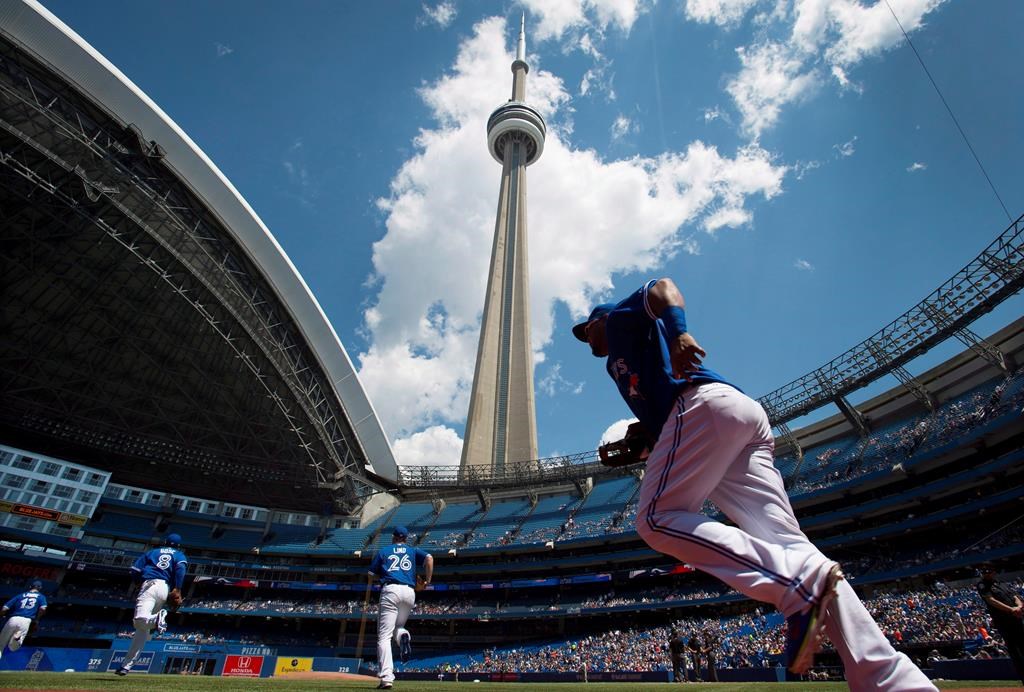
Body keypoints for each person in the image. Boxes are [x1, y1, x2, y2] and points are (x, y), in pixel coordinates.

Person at [573, 278, 936, 690]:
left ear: (599, 320)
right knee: (791, 545)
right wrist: (648, 436)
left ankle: (791, 583)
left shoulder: (618, 322)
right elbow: (661, 410)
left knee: (655, 518)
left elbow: (662, 288)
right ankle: (893, 681)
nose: (585, 338)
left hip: (702, 406)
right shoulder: (623, 363)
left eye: (586, 329)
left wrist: (679, 333)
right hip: (733, 416)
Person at [369, 526, 433, 690]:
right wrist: (427, 580)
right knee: (399, 627)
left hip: (391, 589)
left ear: (393, 537)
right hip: (409, 592)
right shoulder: (412, 550)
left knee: (384, 636)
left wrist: (382, 575)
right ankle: (404, 635)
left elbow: (371, 573)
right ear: (406, 538)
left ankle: (387, 678)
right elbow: (430, 559)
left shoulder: (385, 550)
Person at [116, 533, 187, 676]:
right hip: (164, 588)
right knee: (142, 631)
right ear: (179, 546)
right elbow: (180, 569)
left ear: (165, 542)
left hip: (149, 585)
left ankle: (157, 619)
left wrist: (137, 583)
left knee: (139, 620)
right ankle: (126, 665)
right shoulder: (179, 555)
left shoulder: (152, 552)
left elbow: (135, 570)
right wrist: (178, 588)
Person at [976, 563, 1023, 683]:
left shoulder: (1001, 583)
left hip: (1016, 618)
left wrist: (1019, 606)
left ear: (994, 572)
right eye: (984, 572)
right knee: (1016, 652)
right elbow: (991, 601)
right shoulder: (982, 585)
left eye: (988, 571)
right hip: (1004, 621)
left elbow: (1015, 596)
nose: (986, 574)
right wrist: (1011, 609)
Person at [0, 579, 47, 660]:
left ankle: (16, 639)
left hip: (13, 618)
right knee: (13, 648)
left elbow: (4, 608)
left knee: (1, 644)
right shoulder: (41, 597)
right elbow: (43, 608)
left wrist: (1, 616)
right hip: (26, 620)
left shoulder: (20, 595)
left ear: (30, 587)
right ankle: (16, 639)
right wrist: (37, 620)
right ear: (40, 588)